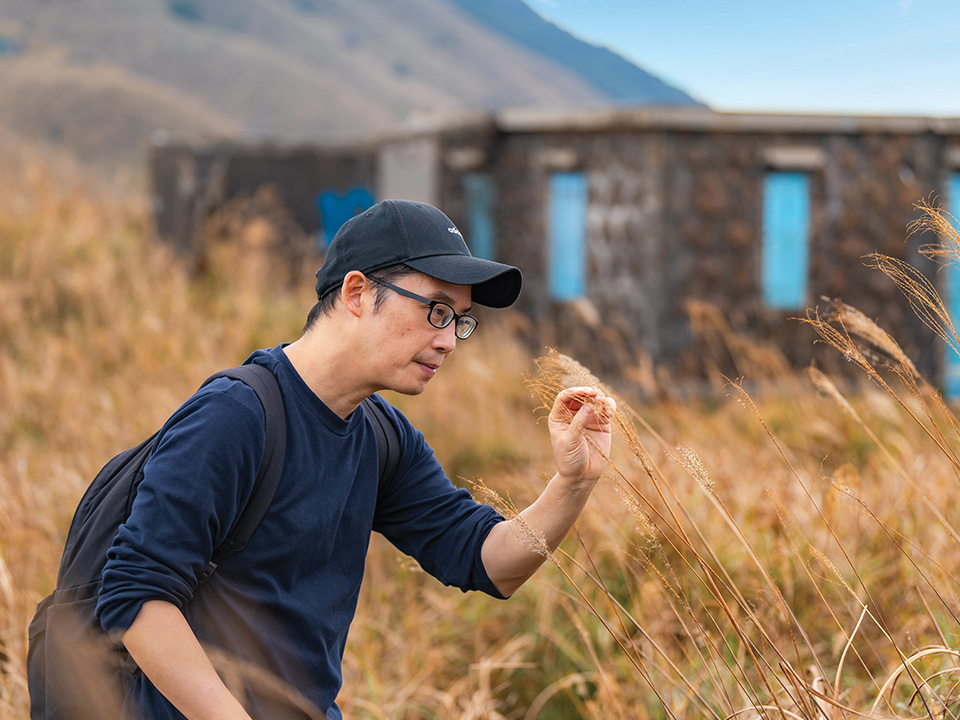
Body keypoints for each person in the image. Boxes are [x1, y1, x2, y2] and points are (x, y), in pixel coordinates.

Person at [96, 198, 616, 719]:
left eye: (459, 321)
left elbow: (488, 562)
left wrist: (573, 482)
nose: (448, 341)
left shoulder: (383, 436)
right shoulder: (235, 416)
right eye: (436, 310)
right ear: (357, 292)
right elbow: (136, 598)